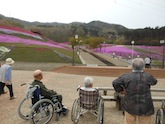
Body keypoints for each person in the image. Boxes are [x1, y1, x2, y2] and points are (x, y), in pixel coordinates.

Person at [112, 58, 157, 124]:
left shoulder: (126, 76)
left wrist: (121, 90)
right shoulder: (148, 76)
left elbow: (115, 83)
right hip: (145, 104)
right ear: (143, 66)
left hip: (130, 103)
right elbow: (154, 81)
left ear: (132, 66)